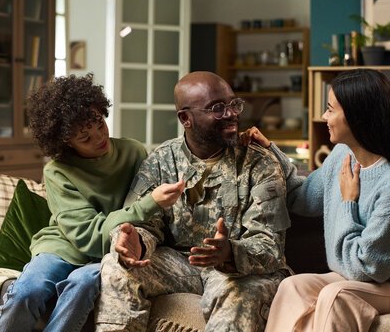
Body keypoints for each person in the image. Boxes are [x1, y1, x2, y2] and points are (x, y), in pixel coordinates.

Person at [240, 68, 390, 332]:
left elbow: (364, 268)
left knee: (335, 296)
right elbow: (301, 199)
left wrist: (349, 202)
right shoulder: (341, 155)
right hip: (354, 279)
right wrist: (270, 152)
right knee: (292, 286)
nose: (324, 116)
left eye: (330, 109)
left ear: (358, 117)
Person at [95, 71, 291, 332]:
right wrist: (136, 242)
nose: (232, 114)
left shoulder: (261, 163)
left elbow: (270, 245)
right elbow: (146, 225)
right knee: (115, 266)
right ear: (185, 118)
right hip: (182, 265)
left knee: (235, 290)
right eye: (218, 109)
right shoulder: (161, 161)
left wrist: (230, 252)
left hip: (241, 270)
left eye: (234, 104)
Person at [0, 74, 184, 332]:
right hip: (63, 246)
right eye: (84, 138)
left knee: (81, 286)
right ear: (65, 142)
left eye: (100, 124)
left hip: (106, 254)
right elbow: (88, 237)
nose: (99, 138)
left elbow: (138, 229)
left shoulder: (134, 152)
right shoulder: (57, 171)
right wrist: (149, 203)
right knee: (28, 290)